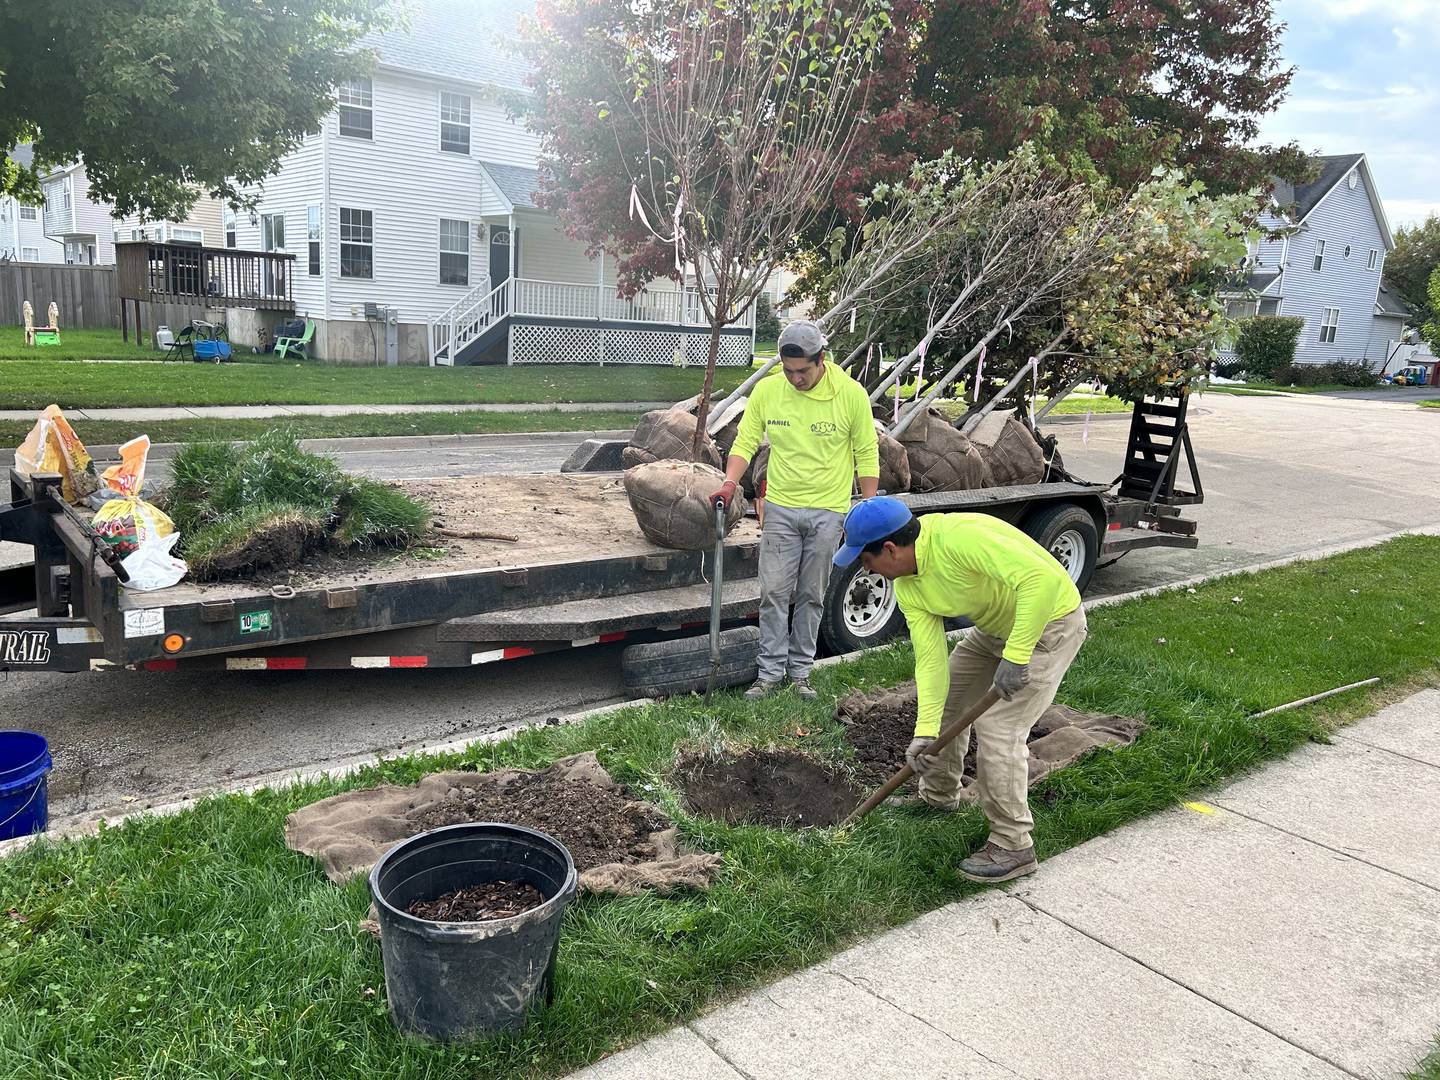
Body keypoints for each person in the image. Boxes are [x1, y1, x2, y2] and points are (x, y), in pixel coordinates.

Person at [832, 497, 1087, 882]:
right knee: (949, 702)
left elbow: (1043, 581)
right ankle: (938, 796)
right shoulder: (908, 586)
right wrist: (924, 734)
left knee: (1000, 729)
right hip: (995, 630)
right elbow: (931, 663)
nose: (866, 570)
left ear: (889, 549)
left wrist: (1017, 656)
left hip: (1050, 623)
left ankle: (1013, 845)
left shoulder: (960, 539)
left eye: (865, 561)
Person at [712, 321, 880, 700]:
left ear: (821, 359)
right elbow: (746, 441)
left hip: (828, 510)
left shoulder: (850, 394)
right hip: (782, 508)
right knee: (773, 592)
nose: (795, 379)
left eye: (802, 371)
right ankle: (769, 673)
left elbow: (866, 451)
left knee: (811, 594)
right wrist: (729, 483)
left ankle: (800, 673)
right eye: (788, 371)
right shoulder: (769, 392)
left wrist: (867, 505)